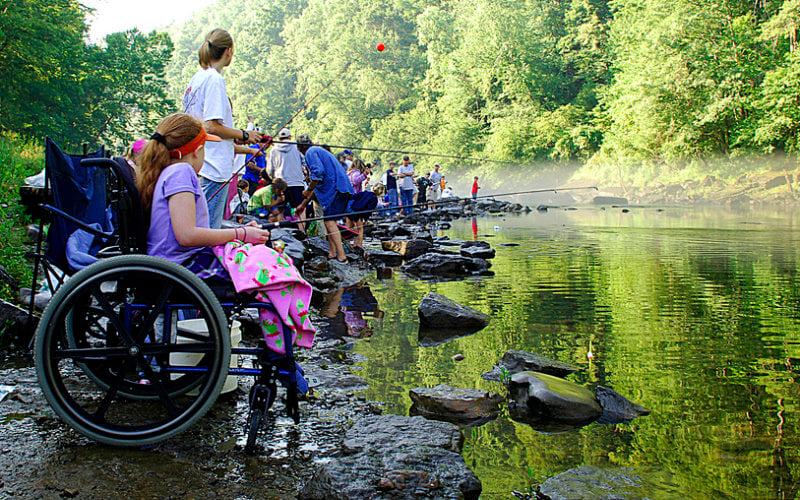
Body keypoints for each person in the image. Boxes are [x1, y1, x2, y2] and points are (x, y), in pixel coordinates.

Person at [136, 113, 314, 355]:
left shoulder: (167, 171)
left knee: (266, 263)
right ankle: (281, 353)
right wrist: (240, 234)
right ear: (197, 150)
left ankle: (281, 348)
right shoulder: (181, 173)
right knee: (273, 275)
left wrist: (240, 233)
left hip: (180, 261)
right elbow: (186, 235)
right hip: (182, 266)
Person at [182, 28, 263, 228]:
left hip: (199, 163)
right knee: (209, 228)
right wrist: (245, 134)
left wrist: (245, 146)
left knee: (200, 225)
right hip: (214, 168)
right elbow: (212, 126)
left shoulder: (196, 79)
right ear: (229, 51)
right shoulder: (214, 80)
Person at [296, 141, 355, 262]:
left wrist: (308, 189)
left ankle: (342, 257)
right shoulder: (319, 152)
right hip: (341, 189)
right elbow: (316, 186)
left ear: (299, 148)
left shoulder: (311, 152)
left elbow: (318, 174)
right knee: (329, 220)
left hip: (337, 189)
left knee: (329, 222)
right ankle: (332, 253)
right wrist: (303, 205)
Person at [267, 127, 307, 225]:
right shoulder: (296, 147)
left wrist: (273, 179)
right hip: (297, 182)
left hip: (280, 184)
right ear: (290, 137)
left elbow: (269, 169)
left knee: (280, 209)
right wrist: (305, 175)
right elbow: (305, 162)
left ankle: (280, 232)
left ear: (279, 138)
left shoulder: (273, 150)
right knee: (300, 209)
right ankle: (302, 232)